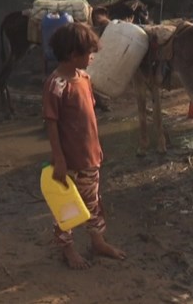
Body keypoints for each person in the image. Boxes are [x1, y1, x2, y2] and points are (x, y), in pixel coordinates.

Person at [42, 23, 126, 269]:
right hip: (69, 162)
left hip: (90, 158)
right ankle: (67, 250)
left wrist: (97, 148)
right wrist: (59, 158)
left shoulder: (85, 78)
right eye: (88, 53)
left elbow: (88, 119)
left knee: (93, 203)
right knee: (67, 207)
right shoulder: (56, 84)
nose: (92, 57)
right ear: (71, 54)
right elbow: (51, 123)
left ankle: (97, 242)